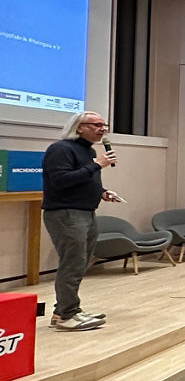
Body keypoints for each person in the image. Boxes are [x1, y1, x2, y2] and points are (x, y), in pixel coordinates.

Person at [41, 111, 122, 330]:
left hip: (86, 211)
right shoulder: (61, 149)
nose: (102, 129)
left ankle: (62, 311)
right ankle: (68, 315)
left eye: (104, 125)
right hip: (65, 213)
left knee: (82, 261)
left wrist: (102, 191)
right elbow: (60, 180)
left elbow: (83, 178)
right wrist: (97, 165)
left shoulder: (89, 151)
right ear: (79, 127)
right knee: (73, 262)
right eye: (96, 125)